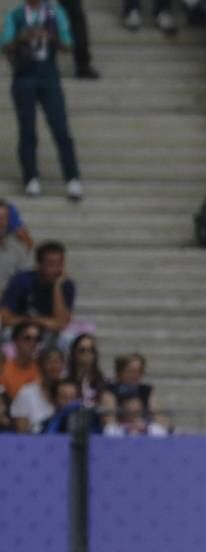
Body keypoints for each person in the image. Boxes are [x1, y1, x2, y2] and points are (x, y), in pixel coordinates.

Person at [1, 0, 84, 199]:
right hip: (24, 76)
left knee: (61, 128)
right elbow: (5, 46)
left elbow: (68, 45)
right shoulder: (16, 15)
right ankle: (31, 177)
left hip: (48, 75)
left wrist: (51, 37)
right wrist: (22, 37)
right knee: (27, 129)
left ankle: (72, 178)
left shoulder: (55, 13)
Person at [1, 240, 74, 332]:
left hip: (49, 332)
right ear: (39, 265)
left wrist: (57, 286)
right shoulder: (21, 280)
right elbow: (4, 317)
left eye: (60, 264)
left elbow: (61, 322)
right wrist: (30, 321)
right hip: (21, 330)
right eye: (51, 264)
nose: (57, 269)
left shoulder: (66, 285)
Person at [10, 344, 62, 432]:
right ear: (40, 365)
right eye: (50, 362)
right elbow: (21, 434)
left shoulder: (70, 392)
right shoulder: (26, 393)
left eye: (58, 362)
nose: (54, 367)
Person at [1, 320, 41, 397]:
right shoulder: (3, 369)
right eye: (27, 338)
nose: (33, 342)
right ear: (16, 341)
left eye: (37, 339)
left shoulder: (43, 368)